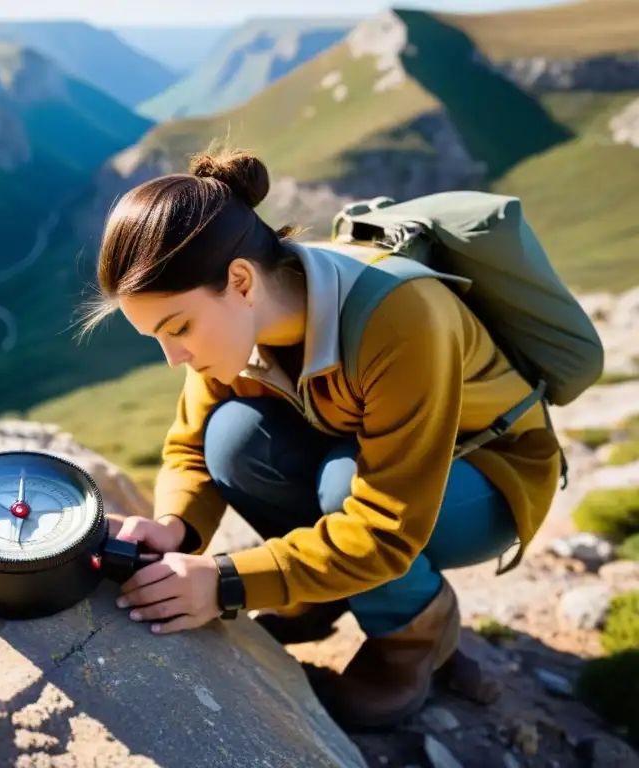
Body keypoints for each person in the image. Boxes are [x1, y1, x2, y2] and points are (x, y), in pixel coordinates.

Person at [80, 148, 565, 730]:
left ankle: (413, 638)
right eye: (156, 337)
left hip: (490, 477)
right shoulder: (235, 324)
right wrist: (174, 526)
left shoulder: (402, 316)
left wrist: (230, 582)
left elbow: (386, 527)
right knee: (232, 438)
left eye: (179, 328)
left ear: (240, 280)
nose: (174, 357)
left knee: (344, 481)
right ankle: (318, 591)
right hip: (363, 457)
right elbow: (190, 449)